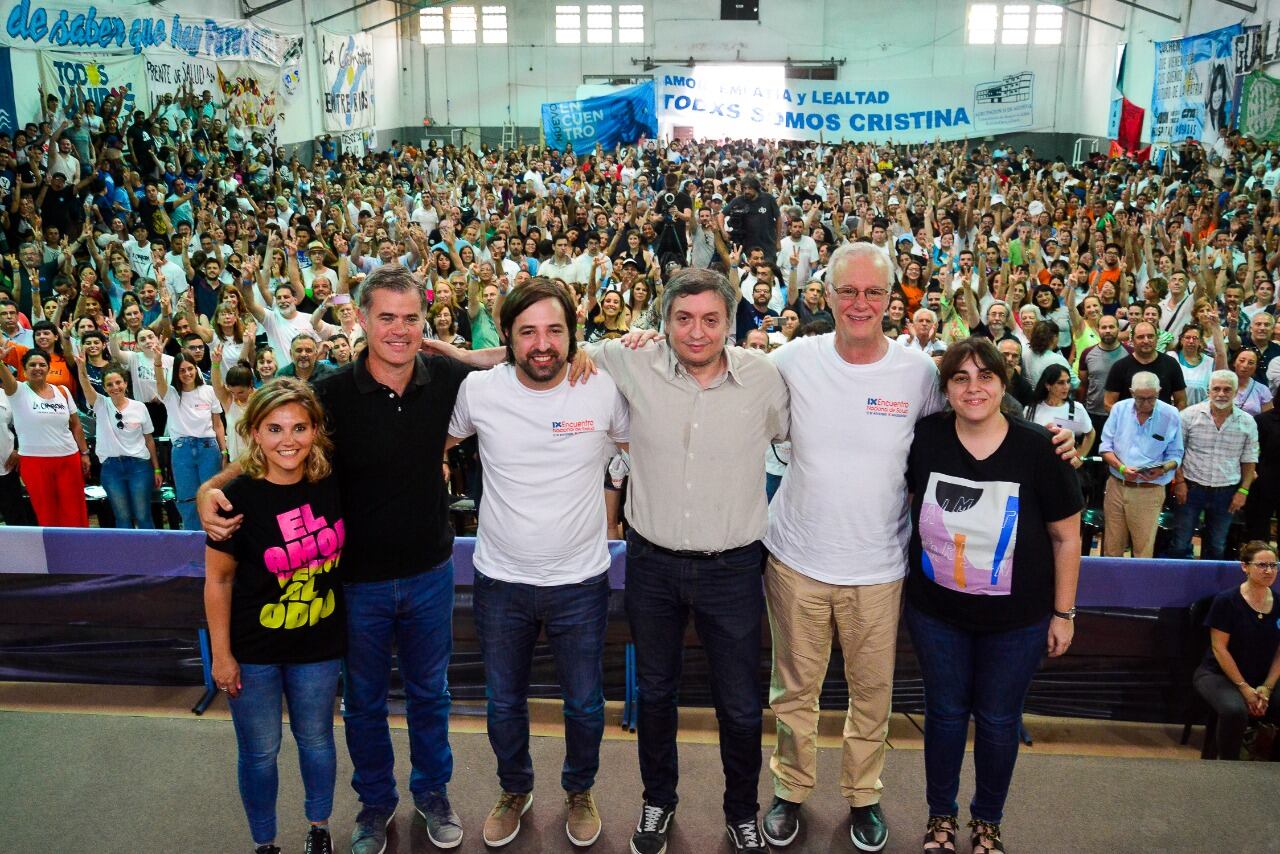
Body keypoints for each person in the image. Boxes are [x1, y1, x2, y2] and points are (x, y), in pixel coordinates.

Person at [201, 265, 473, 854]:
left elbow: (521, 355)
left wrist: (456, 348)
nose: (399, 331)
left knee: (432, 695)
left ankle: (433, 792)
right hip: (356, 586)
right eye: (386, 318)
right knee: (365, 704)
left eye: (411, 319)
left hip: (429, 573)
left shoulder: (448, 375)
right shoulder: (327, 393)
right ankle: (375, 804)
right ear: (362, 319)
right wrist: (207, 489)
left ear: (424, 322)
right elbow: (274, 447)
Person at [444, 279, 628, 848]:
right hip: (500, 580)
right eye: (527, 332)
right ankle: (514, 789)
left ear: (574, 335)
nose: (542, 344)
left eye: (555, 331)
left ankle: (579, 789)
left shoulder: (601, 388)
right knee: (502, 702)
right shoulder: (478, 391)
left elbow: (639, 444)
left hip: (580, 581)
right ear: (507, 337)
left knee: (584, 703)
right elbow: (439, 441)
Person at [905, 337, 1082, 854]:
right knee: (943, 715)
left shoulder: (1041, 447)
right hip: (937, 614)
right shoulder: (925, 437)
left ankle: (988, 822)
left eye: (986, 376)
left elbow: (1066, 537)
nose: (973, 387)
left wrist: (1063, 613)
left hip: (1018, 620)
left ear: (1005, 385)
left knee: (1001, 721)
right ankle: (941, 817)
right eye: (961, 377)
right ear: (946, 389)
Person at [204, 379, 345, 854]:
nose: (289, 439)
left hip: (319, 648)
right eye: (275, 428)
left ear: (315, 431)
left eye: (300, 427)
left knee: (317, 742)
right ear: (255, 433)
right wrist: (221, 656)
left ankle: (319, 828)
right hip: (254, 653)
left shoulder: (333, 483)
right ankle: (264, 842)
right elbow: (218, 581)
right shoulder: (235, 499)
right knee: (261, 754)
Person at [1193, 540, 1280, 760]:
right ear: (1245, 567)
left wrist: (1267, 688)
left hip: (1263, 676)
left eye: (1273, 565)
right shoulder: (1227, 601)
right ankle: (1230, 768)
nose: (1269, 570)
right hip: (1218, 674)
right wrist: (1244, 688)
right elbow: (1219, 648)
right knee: (1235, 710)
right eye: (1262, 565)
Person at [1168, 371, 1259, 560]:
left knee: (1217, 546)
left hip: (1226, 493)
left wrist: (1243, 492)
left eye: (1227, 389)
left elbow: (1249, 460)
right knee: (1180, 542)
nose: (1221, 394)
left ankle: (1209, 589)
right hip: (1191, 489)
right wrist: (1180, 482)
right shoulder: (1188, 416)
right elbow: (1176, 453)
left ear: (1235, 393)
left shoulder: (1247, 422)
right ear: (1208, 391)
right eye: (1216, 389)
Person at [0, 345, 90, 526]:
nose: (37, 368)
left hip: (68, 458)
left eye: (42, 364)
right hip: (35, 462)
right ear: (24, 370)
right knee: (46, 513)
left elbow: (76, 425)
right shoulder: (17, 391)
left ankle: (78, 549)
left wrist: (84, 452)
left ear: (49, 368)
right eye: (32, 365)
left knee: (74, 510)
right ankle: (53, 552)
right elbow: (6, 378)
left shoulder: (62, 391)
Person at [1099, 372, 1184, 558]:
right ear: (1131, 392)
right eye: (1140, 398)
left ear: (1159, 392)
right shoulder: (1119, 409)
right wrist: (1121, 468)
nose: (1146, 403)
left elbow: (1176, 455)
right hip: (1117, 486)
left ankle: (1138, 587)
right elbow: (1105, 447)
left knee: (1143, 549)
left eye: (1151, 398)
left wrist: (1163, 468)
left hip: (1149, 490)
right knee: (1112, 547)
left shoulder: (1171, 414)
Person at [75, 354, 160, 529]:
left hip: (139, 466)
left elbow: (149, 440)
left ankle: (150, 554)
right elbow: (85, 386)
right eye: (109, 384)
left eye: (118, 382)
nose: (115, 387)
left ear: (126, 383)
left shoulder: (140, 407)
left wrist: (156, 468)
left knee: (143, 514)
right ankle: (127, 555)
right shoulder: (100, 403)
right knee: (122, 517)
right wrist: (82, 368)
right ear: (104, 388)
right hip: (111, 468)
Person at [159, 352, 226, 530]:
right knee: (188, 499)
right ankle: (192, 543)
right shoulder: (171, 394)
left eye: (190, 369)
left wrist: (224, 451)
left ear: (196, 369)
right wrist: (158, 363)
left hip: (209, 449)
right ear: (176, 373)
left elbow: (218, 424)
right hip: (182, 451)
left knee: (212, 497)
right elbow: (160, 383)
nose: (187, 373)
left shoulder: (209, 391)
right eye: (182, 370)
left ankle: (214, 541)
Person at [1103, 322, 1187, 411]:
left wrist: (1171, 420)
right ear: (1132, 340)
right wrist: (1127, 420)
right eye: (1140, 337)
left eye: (1150, 336)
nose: (1146, 341)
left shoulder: (1171, 364)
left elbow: (1181, 401)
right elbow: (1108, 404)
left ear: (1157, 338)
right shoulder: (1119, 367)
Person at [1076, 314, 1129, 438]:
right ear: (1098, 330)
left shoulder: (1131, 353)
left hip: (1122, 415)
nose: (1108, 331)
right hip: (1093, 413)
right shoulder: (1087, 354)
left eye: (1111, 327)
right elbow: (1083, 385)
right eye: (1104, 327)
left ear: (1118, 329)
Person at [1025, 363, 1095, 458]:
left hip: (1065, 462)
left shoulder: (1076, 409)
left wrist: (1080, 457)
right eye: (1060, 382)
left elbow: (1090, 433)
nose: (1066, 386)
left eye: (1068, 381)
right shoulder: (1031, 409)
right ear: (1048, 385)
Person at [1231, 350, 1273, 416]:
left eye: (1251, 363)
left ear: (1256, 367)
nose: (1245, 365)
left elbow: (1268, 419)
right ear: (1234, 363)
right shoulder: (1223, 384)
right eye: (1242, 361)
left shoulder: (1263, 389)